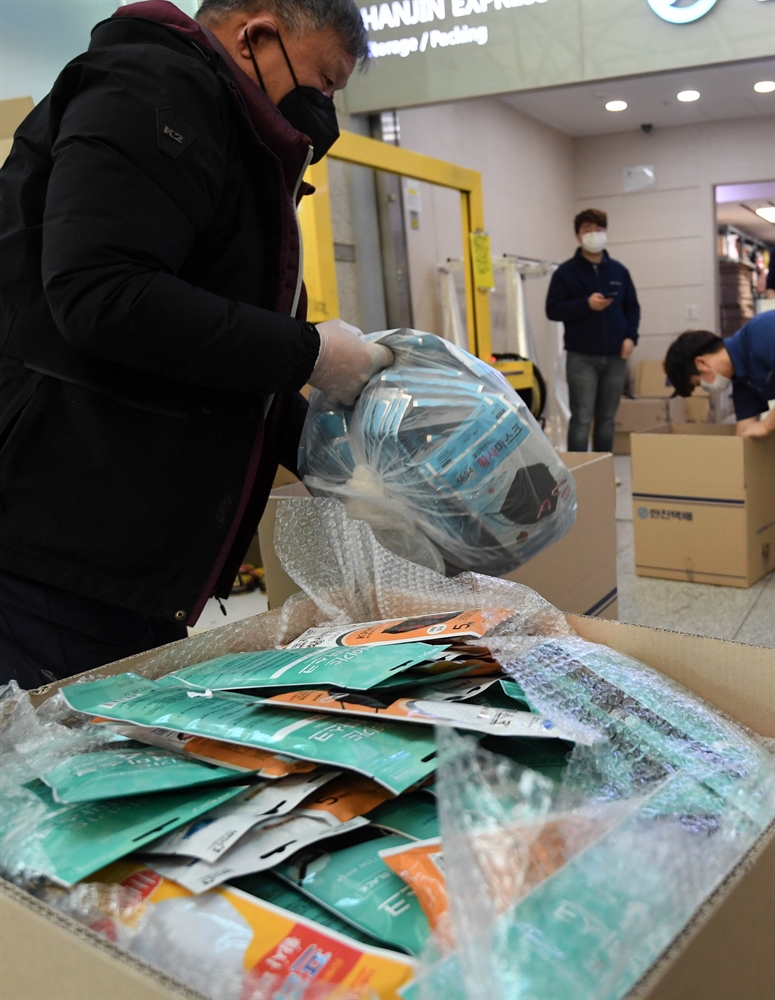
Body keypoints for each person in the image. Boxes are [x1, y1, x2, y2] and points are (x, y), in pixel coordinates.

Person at [0, 0, 391, 689]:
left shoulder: (228, 141)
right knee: (69, 775)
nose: (325, 107)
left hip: (132, 558)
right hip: (56, 546)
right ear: (257, 37)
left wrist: (341, 457)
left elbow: (207, 360)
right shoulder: (149, 87)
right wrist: (310, 352)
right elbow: (102, 295)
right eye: (325, 82)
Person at [546, 208, 640, 452]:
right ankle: (581, 470)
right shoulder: (566, 273)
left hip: (616, 355)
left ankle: (603, 468)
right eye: (588, 230)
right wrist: (585, 305)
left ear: (606, 232)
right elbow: (553, 309)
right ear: (578, 236)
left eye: (599, 229)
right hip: (582, 357)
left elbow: (632, 308)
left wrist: (631, 337)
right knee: (582, 418)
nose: (594, 235)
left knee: (607, 419)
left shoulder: (619, 271)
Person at [664, 311, 775, 438]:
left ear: (702, 363)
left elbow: (763, 428)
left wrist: (766, 425)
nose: (707, 388)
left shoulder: (763, 331)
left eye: (699, 383)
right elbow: (744, 432)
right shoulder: (742, 381)